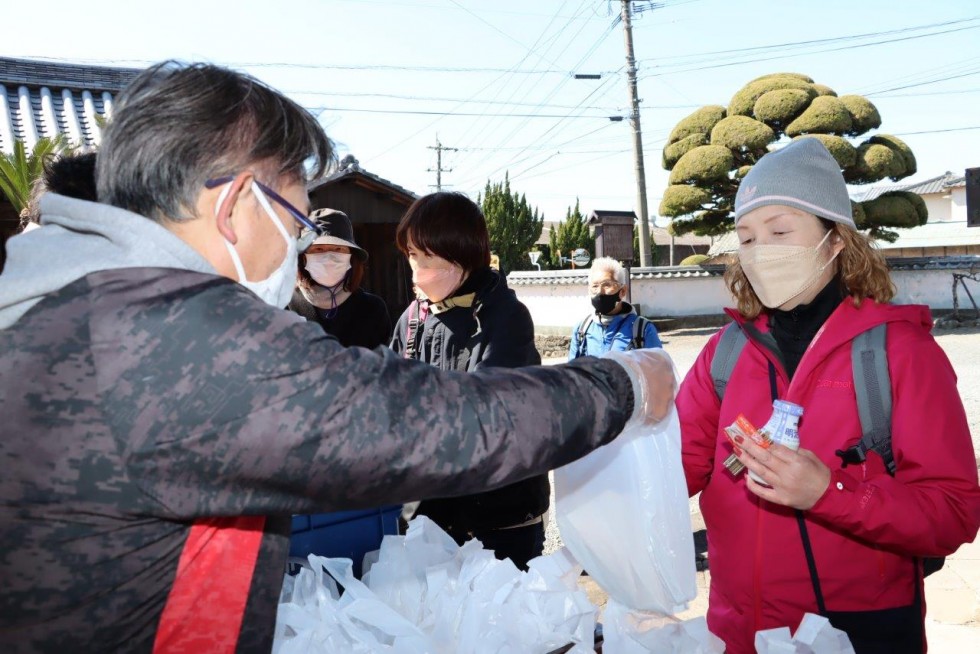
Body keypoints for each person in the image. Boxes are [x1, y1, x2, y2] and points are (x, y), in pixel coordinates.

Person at [0, 61, 676, 654]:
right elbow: (425, 423)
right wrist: (620, 384)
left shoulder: (57, 291)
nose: (297, 251)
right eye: (296, 224)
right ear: (236, 206)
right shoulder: (167, 328)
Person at [676, 137, 980, 654]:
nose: (760, 252)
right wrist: (612, 431)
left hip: (860, 634)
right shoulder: (724, 354)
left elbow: (953, 510)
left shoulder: (901, 353)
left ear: (835, 239)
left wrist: (831, 493)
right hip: (739, 631)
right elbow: (669, 470)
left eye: (779, 231)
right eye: (746, 238)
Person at [389, 192, 547, 570]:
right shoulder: (412, 319)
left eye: (428, 259)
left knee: (505, 622)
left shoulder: (505, 317)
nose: (417, 270)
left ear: (462, 257)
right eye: (412, 256)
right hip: (432, 515)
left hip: (500, 517)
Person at [287, 208, 391, 348]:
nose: (328, 258)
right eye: (318, 249)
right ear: (303, 258)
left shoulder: (372, 309)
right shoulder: (285, 306)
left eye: (338, 249)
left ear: (351, 257)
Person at [568, 256, 662, 360]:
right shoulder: (582, 329)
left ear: (622, 291)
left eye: (607, 285)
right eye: (595, 286)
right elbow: (571, 373)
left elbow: (658, 372)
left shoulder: (643, 329)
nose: (600, 291)